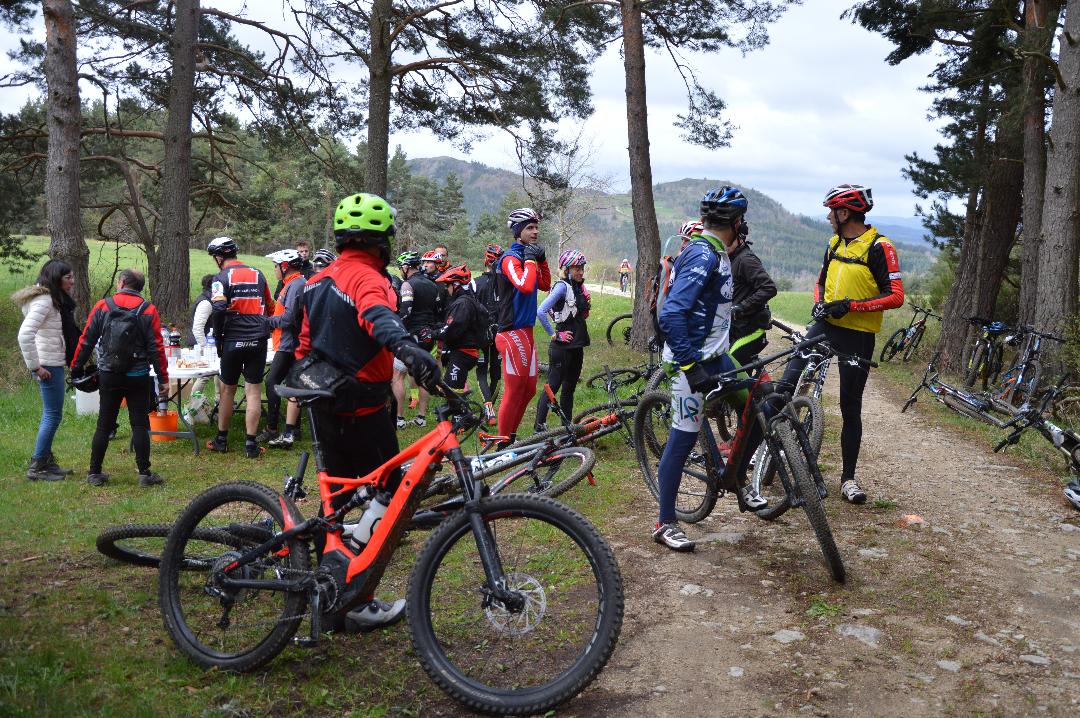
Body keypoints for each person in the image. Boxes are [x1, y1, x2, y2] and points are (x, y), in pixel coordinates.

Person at [295, 191, 438, 632]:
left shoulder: (316, 281)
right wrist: (411, 352)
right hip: (364, 404)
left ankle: (332, 589)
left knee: (334, 506)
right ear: (383, 243)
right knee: (392, 493)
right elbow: (380, 319)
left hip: (322, 400)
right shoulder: (369, 278)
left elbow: (300, 342)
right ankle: (355, 597)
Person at [775, 183, 904, 505]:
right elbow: (821, 282)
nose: (828, 217)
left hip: (858, 335)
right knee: (786, 383)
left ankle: (848, 479)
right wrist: (820, 303)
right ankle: (761, 452)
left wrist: (852, 305)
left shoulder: (879, 246)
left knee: (850, 406)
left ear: (845, 213)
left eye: (831, 211)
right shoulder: (833, 243)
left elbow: (896, 296)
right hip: (824, 326)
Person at [653, 187, 766, 552]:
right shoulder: (702, 255)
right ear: (736, 224)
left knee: (757, 408)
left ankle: (734, 477)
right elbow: (671, 313)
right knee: (682, 439)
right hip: (688, 362)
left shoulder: (716, 252)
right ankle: (664, 522)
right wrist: (690, 367)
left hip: (717, 354)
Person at [71, 268, 170, 487]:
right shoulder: (148, 310)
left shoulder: (103, 306)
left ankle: (94, 473)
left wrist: (76, 367)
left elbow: (86, 339)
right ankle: (145, 474)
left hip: (109, 374)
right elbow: (156, 347)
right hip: (138, 375)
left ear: (122, 282)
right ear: (140, 286)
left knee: (104, 424)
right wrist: (163, 377)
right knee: (140, 424)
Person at [206, 236, 274, 458]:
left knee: (228, 390)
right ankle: (251, 445)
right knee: (253, 390)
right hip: (258, 338)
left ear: (218, 257)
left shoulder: (220, 278)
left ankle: (222, 440)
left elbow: (217, 309)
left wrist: (218, 338)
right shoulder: (258, 274)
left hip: (233, 339)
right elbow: (270, 307)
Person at [15, 258, 79, 481]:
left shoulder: (53, 299)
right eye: (68, 277)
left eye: (72, 276)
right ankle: (38, 466)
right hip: (48, 365)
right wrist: (36, 367)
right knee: (52, 415)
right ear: (56, 278)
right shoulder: (44, 301)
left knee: (53, 414)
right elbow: (24, 335)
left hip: (52, 361)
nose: (72, 281)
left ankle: (47, 462)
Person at [493, 207, 551, 439]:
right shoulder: (510, 258)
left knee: (528, 391)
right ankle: (502, 444)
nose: (535, 232)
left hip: (527, 332)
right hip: (511, 332)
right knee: (514, 389)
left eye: (536, 227)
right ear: (518, 232)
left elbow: (544, 284)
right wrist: (529, 260)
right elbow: (526, 286)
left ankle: (511, 437)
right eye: (530, 228)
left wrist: (542, 260)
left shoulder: (529, 257)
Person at [534, 250, 591, 431]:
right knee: (553, 386)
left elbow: (579, 315)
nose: (581, 272)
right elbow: (541, 311)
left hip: (577, 346)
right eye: (577, 269)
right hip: (562, 348)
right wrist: (555, 334)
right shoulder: (562, 286)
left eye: (582, 268)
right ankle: (539, 427)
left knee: (569, 388)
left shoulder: (577, 286)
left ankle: (566, 427)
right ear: (567, 269)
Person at [261, 249, 306, 448]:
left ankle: (273, 428)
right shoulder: (292, 284)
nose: (274, 270)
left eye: (275, 266)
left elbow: (289, 319)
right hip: (287, 342)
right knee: (291, 383)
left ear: (284, 266)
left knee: (272, 382)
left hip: (290, 344)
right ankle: (292, 428)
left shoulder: (295, 285)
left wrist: (267, 322)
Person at [394, 249, 444, 428]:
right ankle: (421, 418)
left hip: (411, 334)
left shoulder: (407, 285)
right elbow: (438, 310)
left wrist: (396, 325)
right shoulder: (432, 284)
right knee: (423, 377)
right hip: (428, 335)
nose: (401, 270)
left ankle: (399, 419)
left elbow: (406, 310)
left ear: (407, 267)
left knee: (398, 375)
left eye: (401, 267)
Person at [726, 220, 778, 366]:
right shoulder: (731, 258)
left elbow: (769, 288)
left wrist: (742, 307)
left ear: (740, 238)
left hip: (750, 328)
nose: (724, 243)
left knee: (732, 370)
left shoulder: (746, 260)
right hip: (736, 328)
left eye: (728, 240)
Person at [434, 264, 488, 389]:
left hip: (463, 353)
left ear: (456, 285)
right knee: (453, 391)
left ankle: (461, 409)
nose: (446, 289)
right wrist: (436, 328)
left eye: (447, 285)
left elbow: (452, 329)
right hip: (465, 352)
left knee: (452, 392)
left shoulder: (462, 303)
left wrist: (432, 334)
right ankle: (460, 407)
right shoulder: (467, 300)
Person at [470, 242, 502, 425]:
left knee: (482, 370)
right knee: (496, 371)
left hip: (481, 335)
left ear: (486, 261)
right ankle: (491, 411)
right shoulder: (505, 284)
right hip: (500, 334)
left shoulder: (474, 283)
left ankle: (489, 411)